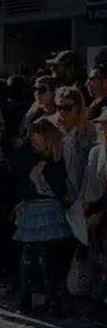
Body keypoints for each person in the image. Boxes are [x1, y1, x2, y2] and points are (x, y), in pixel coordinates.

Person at [13, 117, 72, 314]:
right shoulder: (27, 155)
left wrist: (42, 176)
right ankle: (25, 298)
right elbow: (20, 183)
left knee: (46, 256)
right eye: (32, 140)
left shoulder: (56, 158)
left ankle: (51, 299)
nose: (33, 143)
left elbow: (59, 187)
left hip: (50, 209)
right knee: (28, 256)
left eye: (37, 140)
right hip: (32, 207)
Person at [81, 109, 107, 306]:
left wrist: (100, 212)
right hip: (95, 212)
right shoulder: (96, 151)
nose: (102, 129)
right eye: (101, 125)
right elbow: (90, 181)